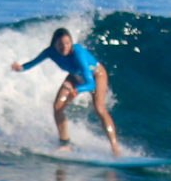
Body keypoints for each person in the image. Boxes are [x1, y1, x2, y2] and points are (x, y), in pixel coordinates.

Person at [11, 27, 121, 156]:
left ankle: (115, 148)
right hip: (75, 76)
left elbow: (90, 84)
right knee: (58, 106)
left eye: (68, 43)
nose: (65, 47)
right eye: (60, 44)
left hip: (96, 74)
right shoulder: (50, 52)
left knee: (99, 108)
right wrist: (20, 68)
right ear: (54, 44)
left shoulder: (77, 53)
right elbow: (31, 64)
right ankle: (65, 143)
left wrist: (76, 89)